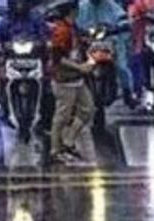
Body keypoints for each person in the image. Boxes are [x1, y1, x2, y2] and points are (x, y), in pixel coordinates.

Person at [48, 3, 96, 162]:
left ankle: (68, 140)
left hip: (77, 78)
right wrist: (79, 67)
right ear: (72, 12)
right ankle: (55, 150)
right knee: (62, 115)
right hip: (64, 79)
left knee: (87, 109)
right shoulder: (62, 31)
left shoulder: (74, 28)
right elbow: (57, 58)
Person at [0, 0, 51, 107]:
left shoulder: (36, 18)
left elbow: (45, 35)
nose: (20, 5)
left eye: (22, 2)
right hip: (12, 56)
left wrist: (44, 42)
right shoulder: (6, 20)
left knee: (50, 61)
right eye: (17, 2)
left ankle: (47, 89)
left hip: (34, 56)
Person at [77, 0, 137, 108]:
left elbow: (123, 19)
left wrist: (120, 27)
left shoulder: (112, 6)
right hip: (89, 43)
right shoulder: (82, 6)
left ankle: (128, 92)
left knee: (121, 67)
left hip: (110, 42)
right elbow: (75, 23)